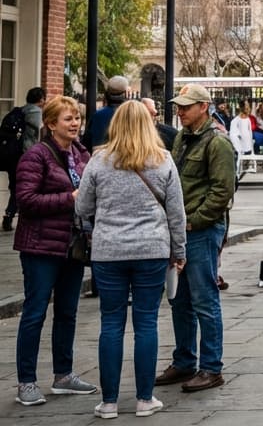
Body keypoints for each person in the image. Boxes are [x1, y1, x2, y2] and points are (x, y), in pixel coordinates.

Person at [76, 101, 187, 418]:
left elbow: (82, 207)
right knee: (146, 323)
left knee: (110, 323)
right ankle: (144, 399)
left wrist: (97, 224)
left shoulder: (99, 161)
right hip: (151, 250)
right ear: (148, 125)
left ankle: (109, 402)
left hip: (109, 251)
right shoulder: (162, 159)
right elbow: (176, 213)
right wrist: (178, 252)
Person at [13, 94, 98, 406]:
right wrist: (70, 198)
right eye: (68, 118)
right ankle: (26, 382)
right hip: (40, 247)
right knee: (34, 313)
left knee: (67, 312)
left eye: (77, 117)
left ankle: (63, 375)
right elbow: (27, 201)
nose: (75, 123)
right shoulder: (36, 156)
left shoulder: (80, 153)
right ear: (50, 124)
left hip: (72, 245)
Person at [155, 84, 236, 394]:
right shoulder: (181, 139)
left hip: (200, 231)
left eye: (186, 106)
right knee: (180, 299)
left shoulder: (217, 142)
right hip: (181, 230)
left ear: (204, 106)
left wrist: (194, 222)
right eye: (179, 105)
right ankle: (185, 360)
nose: (180, 110)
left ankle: (211, 367)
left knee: (204, 300)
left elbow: (221, 192)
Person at [4, 87, 45, 231]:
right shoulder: (35, 112)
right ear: (41, 99)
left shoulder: (19, 110)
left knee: (15, 185)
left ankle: (10, 214)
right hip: (25, 155)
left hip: (12, 154)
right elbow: (39, 134)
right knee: (26, 187)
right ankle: (15, 215)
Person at [87, 75, 130, 150]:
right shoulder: (132, 115)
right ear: (126, 93)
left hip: (99, 159)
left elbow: (88, 142)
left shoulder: (97, 116)